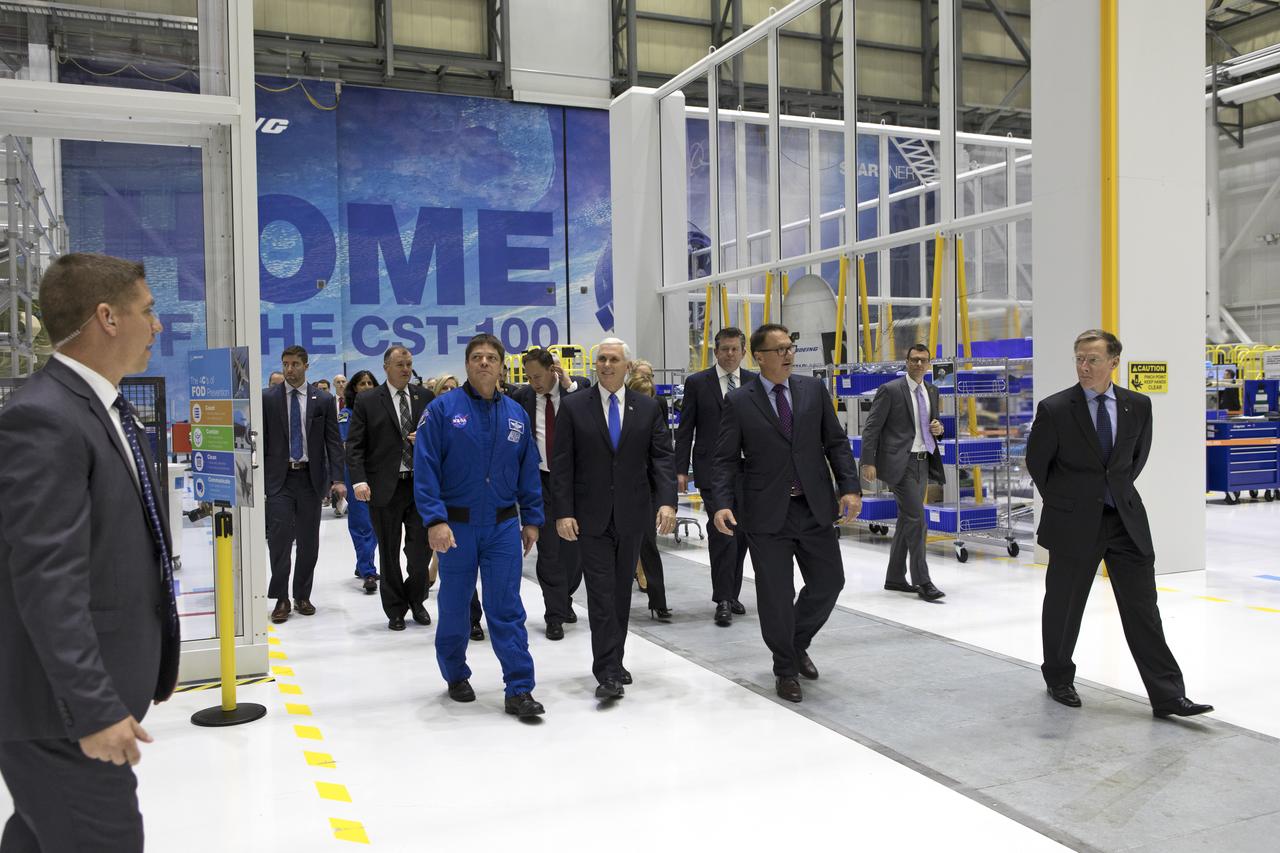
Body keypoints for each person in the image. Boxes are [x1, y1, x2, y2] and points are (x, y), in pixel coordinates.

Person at [0, 253, 179, 850]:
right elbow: (49, 579)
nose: (156, 325)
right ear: (106, 316)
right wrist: (94, 708)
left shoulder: (104, 410)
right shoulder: (44, 418)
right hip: (60, 718)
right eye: (146, 311)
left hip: (65, 710)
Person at [1027, 329, 1213, 718]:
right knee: (1064, 606)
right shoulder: (1056, 408)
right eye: (1079, 358)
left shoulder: (1138, 405)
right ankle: (1058, 678)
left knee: (1144, 609)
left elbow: (1134, 461)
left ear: (1114, 362)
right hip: (1074, 523)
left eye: (1092, 359)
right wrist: (1069, 502)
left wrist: (1113, 492)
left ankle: (1167, 696)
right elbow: (1038, 464)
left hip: (1125, 522)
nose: (1083, 366)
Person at [712, 323, 861, 704]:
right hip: (765, 514)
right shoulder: (740, 401)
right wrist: (722, 503)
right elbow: (725, 459)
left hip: (813, 507)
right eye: (779, 349)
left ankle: (796, 642)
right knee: (776, 595)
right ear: (758, 356)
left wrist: (850, 487)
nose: (788, 354)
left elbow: (836, 443)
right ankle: (784, 668)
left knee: (830, 582)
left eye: (790, 347)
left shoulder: (812, 390)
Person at [414, 334, 546, 718]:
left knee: (506, 607)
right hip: (456, 527)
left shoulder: (516, 416)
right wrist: (435, 520)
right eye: (477, 357)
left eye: (491, 357)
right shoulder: (442, 411)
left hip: (503, 526)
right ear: (467, 364)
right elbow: (426, 468)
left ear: (502, 366)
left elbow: (528, 472)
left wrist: (532, 520)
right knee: (455, 606)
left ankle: (519, 687)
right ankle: (456, 674)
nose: (484, 363)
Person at [552, 338, 677, 700]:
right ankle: (606, 670)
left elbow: (662, 459)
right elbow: (562, 466)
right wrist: (563, 511)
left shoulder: (647, 408)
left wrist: (667, 503)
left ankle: (615, 659)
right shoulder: (575, 407)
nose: (607, 365)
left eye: (614, 359)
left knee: (621, 593)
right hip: (590, 519)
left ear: (627, 366)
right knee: (602, 595)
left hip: (632, 515)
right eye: (602, 359)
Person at [347, 346, 435, 631]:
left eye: (409, 364)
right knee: (388, 551)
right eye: (400, 364)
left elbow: (439, 439)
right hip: (384, 487)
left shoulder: (425, 397)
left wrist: (424, 438)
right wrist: (359, 480)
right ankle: (395, 609)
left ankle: (417, 598)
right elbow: (355, 445)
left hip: (420, 485)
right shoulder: (369, 401)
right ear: (386, 366)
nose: (406, 369)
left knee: (420, 552)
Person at [674, 327, 756, 626]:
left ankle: (732, 593)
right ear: (716, 351)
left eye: (735, 349)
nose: (730, 354)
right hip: (712, 471)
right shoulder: (698, 383)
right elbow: (686, 429)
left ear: (743, 351)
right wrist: (681, 469)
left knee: (742, 533)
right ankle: (721, 598)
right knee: (722, 532)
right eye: (725, 349)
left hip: (748, 471)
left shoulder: (753, 381)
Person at [263, 345, 345, 624]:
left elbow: (333, 441)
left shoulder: (322, 399)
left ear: (306, 366)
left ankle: (302, 595)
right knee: (279, 540)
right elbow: (260, 441)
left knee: (309, 542)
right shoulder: (268, 399)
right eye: (286, 364)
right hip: (279, 479)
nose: (289, 369)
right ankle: (281, 598)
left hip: (311, 479)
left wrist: (338, 478)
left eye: (295, 364)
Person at [859, 343, 947, 601]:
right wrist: (868, 462)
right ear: (906, 362)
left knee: (909, 519)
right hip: (900, 464)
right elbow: (871, 429)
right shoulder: (891, 390)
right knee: (918, 520)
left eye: (923, 360)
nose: (919, 364)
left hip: (923, 461)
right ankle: (923, 581)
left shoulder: (931, 390)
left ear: (929, 364)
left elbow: (933, 424)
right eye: (914, 360)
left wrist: (938, 429)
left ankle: (895, 577)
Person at [509, 348, 583, 639]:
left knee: (574, 551)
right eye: (528, 377)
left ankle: (565, 597)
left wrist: (569, 388)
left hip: (575, 483)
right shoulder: (522, 398)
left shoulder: (576, 391)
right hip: (539, 481)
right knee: (549, 551)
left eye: (538, 376)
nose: (533, 382)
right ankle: (554, 613)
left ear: (553, 369)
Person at [626, 372, 673, 621]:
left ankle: (659, 600)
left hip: (647, 489)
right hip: (621, 490)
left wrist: (667, 500)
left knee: (648, 544)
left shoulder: (655, 414)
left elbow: (662, 456)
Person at [341, 370, 381, 594]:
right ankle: (368, 571)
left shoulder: (381, 410)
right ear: (354, 389)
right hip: (356, 472)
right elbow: (348, 445)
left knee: (376, 523)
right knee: (362, 523)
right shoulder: (347, 414)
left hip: (379, 472)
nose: (366, 386)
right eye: (362, 383)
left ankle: (362, 563)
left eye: (370, 383)